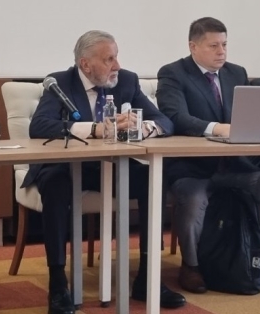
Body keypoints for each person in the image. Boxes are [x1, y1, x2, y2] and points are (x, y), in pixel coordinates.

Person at [26, 30, 184, 313]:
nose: (117, 65)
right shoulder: (60, 83)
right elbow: (39, 126)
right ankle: (58, 284)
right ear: (85, 64)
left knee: (154, 178)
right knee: (55, 183)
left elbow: (164, 121)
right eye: (109, 59)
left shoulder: (127, 81)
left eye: (116, 57)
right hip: (67, 168)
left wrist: (142, 127)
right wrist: (96, 129)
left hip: (111, 166)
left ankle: (148, 276)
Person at [156, 17, 260, 293]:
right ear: (193, 46)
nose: (222, 52)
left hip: (233, 164)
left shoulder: (236, 73)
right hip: (191, 167)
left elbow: (250, 114)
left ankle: (245, 248)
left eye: (225, 44)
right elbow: (175, 116)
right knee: (193, 198)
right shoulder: (173, 73)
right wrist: (217, 128)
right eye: (214, 45)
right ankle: (191, 265)